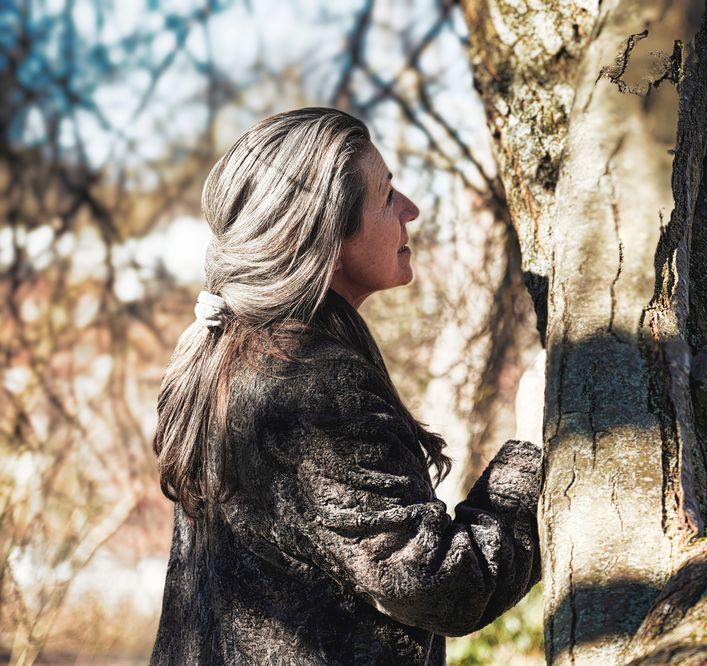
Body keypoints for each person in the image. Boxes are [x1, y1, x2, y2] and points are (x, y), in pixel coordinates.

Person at [149, 107, 544, 665]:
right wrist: (531, 451)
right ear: (325, 234)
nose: (411, 209)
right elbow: (437, 584)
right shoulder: (305, 384)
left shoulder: (242, 355)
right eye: (385, 197)